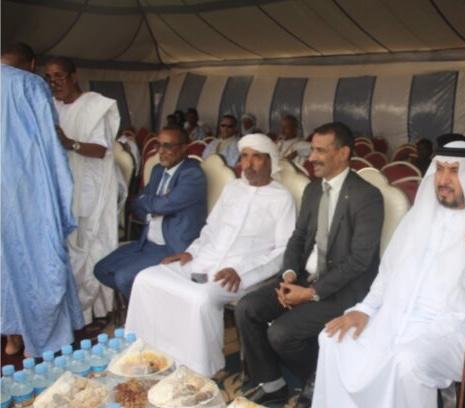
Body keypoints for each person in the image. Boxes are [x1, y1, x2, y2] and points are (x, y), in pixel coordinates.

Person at [311, 136, 465, 408]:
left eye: (454, 171)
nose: (444, 179)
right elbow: (388, 273)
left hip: (455, 329)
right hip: (395, 315)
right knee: (333, 338)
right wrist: (364, 310)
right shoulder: (418, 216)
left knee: (407, 361)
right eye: (440, 169)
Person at [235, 122, 384, 407]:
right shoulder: (314, 190)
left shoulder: (367, 196)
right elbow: (298, 237)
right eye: (312, 149)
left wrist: (311, 293)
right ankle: (273, 383)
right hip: (305, 277)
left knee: (281, 333)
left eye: (320, 151)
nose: (311, 157)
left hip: (343, 290)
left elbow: (359, 260)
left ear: (343, 153)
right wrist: (289, 275)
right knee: (247, 309)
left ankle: (320, 378)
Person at [126, 134, 296, 377]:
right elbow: (210, 228)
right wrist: (190, 252)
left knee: (200, 299)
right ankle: (152, 355)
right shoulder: (233, 188)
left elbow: (283, 250)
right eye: (244, 156)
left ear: (270, 160)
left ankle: (200, 370)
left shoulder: (282, 198)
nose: (248, 164)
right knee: (146, 279)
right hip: (205, 258)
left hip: (241, 273)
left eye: (256, 157)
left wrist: (242, 272)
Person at [1, 58, 85, 357]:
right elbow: (51, 145)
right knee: (37, 261)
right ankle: (41, 339)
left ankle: (11, 336)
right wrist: (61, 196)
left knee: (5, 264)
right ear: (31, 63)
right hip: (26, 189)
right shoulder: (29, 84)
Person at [45, 56, 122, 325]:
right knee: (66, 249)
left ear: (73, 76)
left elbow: (101, 150)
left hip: (91, 188)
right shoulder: (52, 106)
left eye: (59, 76)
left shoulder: (95, 105)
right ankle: (71, 309)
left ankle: (94, 311)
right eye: (49, 78)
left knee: (91, 246)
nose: (54, 82)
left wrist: (71, 144)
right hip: (62, 187)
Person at [94, 127, 207, 300]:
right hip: (146, 243)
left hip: (170, 247)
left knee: (123, 278)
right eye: (158, 145)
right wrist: (152, 207)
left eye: (167, 146)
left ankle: (145, 311)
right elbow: (136, 204)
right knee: (101, 269)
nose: (160, 151)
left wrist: (151, 204)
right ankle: (145, 305)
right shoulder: (158, 170)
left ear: (184, 148)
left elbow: (163, 205)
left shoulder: (192, 174)